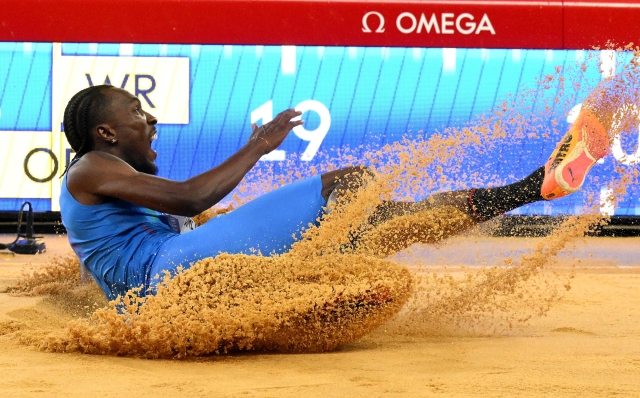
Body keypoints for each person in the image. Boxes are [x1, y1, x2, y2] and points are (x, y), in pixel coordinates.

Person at [59, 84, 609, 301]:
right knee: (349, 189)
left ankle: (530, 187)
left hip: (166, 281)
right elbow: (189, 198)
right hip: (170, 275)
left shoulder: (99, 183)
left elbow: (108, 258)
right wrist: (261, 144)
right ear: (105, 132)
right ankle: (529, 185)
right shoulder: (90, 168)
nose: (149, 118)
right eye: (136, 113)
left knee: (371, 224)